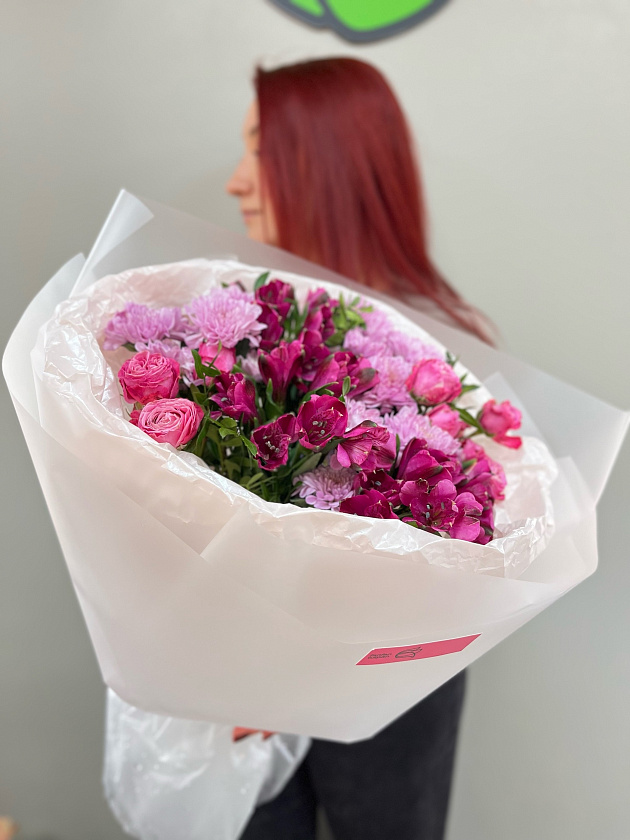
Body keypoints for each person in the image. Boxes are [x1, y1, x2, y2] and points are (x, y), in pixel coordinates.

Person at [226, 57, 491, 840]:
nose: (236, 181)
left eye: (260, 150)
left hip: (393, 686)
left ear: (327, 164)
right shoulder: (237, 337)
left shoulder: (441, 366)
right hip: (246, 686)